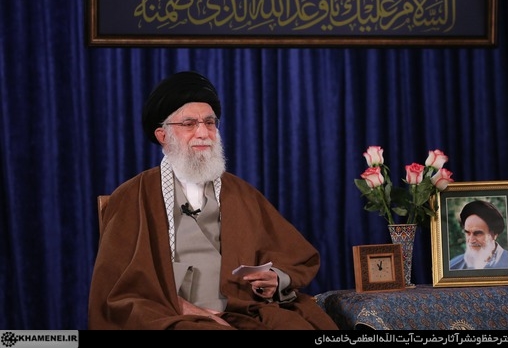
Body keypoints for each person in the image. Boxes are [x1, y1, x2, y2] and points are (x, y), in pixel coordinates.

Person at [88, 71, 339, 330]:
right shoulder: (133, 195)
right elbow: (117, 287)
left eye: (209, 123)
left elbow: (293, 255)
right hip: (172, 314)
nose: (203, 133)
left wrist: (275, 278)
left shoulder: (240, 192)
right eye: (189, 124)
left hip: (243, 310)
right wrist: (181, 307)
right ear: (163, 136)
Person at [449, 200, 508, 270]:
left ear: (494, 235)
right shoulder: (453, 266)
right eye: (467, 233)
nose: (471, 240)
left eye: (478, 233)